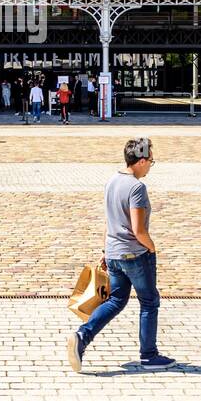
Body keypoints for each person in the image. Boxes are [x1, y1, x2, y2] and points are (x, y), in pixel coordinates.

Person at [68, 137, 176, 373]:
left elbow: (110, 219)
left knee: (117, 300)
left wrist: (106, 251)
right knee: (149, 302)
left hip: (114, 253)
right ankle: (149, 355)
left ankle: (82, 336)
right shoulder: (137, 188)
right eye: (150, 161)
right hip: (135, 254)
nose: (150, 166)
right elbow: (138, 230)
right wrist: (152, 247)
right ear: (140, 160)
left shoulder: (112, 181)